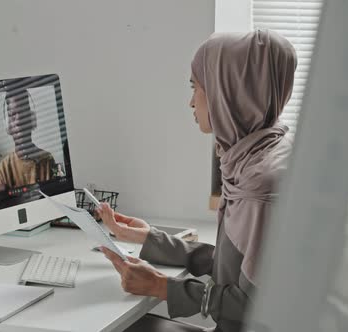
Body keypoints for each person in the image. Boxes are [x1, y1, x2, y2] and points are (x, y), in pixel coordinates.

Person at [97, 29, 297, 332]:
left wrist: (162, 287)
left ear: (229, 92)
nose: (191, 102)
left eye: (196, 88)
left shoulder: (260, 186)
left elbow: (256, 305)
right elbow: (229, 266)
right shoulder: (256, 155)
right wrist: (148, 238)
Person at [0, 88, 62, 193]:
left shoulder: (49, 160)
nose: (19, 121)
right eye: (12, 115)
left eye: (23, 113)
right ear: (8, 125)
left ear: (32, 119)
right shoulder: (2, 170)